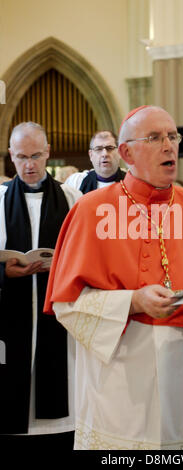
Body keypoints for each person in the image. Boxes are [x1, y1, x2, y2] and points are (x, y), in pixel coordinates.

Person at [44, 105, 183, 450]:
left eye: (172, 136)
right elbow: (67, 303)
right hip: (121, 374)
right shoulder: (91, 211)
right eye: (154, 138)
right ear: (126, 153)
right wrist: (134, 300)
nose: (169, 146)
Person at [0, 122, 82, 450]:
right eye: (21, 157)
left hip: (56, 316)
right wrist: (6, 272)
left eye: (36, 155)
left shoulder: (72, 198)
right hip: (10, 311)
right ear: (11, 156)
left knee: (58, 408)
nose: (29, 164)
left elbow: (85, 257)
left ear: (48, 152)